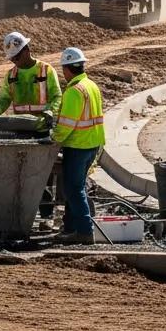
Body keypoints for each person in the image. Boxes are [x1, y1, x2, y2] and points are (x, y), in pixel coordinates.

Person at [0, 31, 62, 225]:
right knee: (21, 172)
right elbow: (4, 99)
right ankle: (21, 212)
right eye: (12, 59)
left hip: (42, 128)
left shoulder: (45, 70)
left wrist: (51, 113)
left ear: (27, 50)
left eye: (17, 57)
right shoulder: (11, 75)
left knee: (43, 173)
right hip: (21, 129)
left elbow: (57, 96)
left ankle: (46, 216)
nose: (15, 62)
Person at [53, 47, 105, 245]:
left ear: (67, 69)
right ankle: (71, 227)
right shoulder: (91, 85)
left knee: (74, 190)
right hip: (92, 143)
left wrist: (54, 138)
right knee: (77, 187)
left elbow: (67, 123)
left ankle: (84, 231)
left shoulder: (74, 91)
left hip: (78, 145)